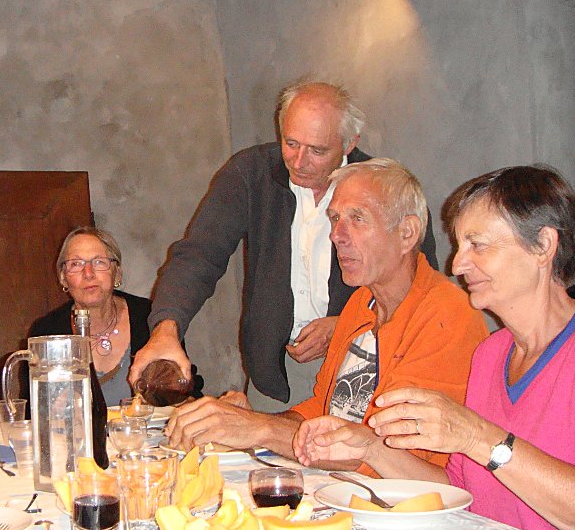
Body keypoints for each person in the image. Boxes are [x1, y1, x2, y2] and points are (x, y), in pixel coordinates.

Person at [296, 165, 575, 530]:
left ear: (543, 245)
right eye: (459, 245)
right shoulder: (490, 355)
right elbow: (459, 491)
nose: (457, 265)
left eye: (478, 245)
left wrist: (478, 437)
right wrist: (371, 448)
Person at [130, 80, 437, 413]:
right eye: (290, 143)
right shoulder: (251, 173)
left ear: (350, 143)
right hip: (274, 376)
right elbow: (198, 256)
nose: (299, 161)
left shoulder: (384, 190)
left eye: (317, 150)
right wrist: (166, 329)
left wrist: (347, 325)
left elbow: (419, 287)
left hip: (362, 366)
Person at [166, 159, 487, 476]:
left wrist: (259, 429)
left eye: (357, 218)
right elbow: (322, 409)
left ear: (407, 233)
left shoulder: (448, 315)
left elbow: (393, 454)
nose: (336, 235)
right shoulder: (362, 302)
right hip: (334, 487)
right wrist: (251, 422)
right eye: (334, 218)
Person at [27, 227, 203, 406]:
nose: (88, 273)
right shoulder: (46, 332)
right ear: (63, 278)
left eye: (99, 262)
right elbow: (32, 408)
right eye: (76, 264)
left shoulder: (153, 317)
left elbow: (185, 390)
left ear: (117, 272)